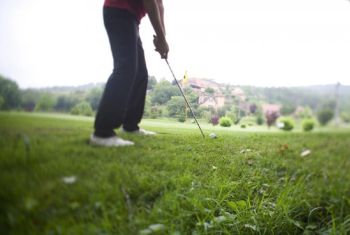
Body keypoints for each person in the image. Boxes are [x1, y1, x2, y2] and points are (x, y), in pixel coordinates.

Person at [90, 0, 169, 147]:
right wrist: (161, 38)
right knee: (125, 69)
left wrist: (162, 36)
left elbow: (159, 4)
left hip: (131, 17)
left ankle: (130, 126)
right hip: (118, 11)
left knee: (140, 74)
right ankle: (102, 132)